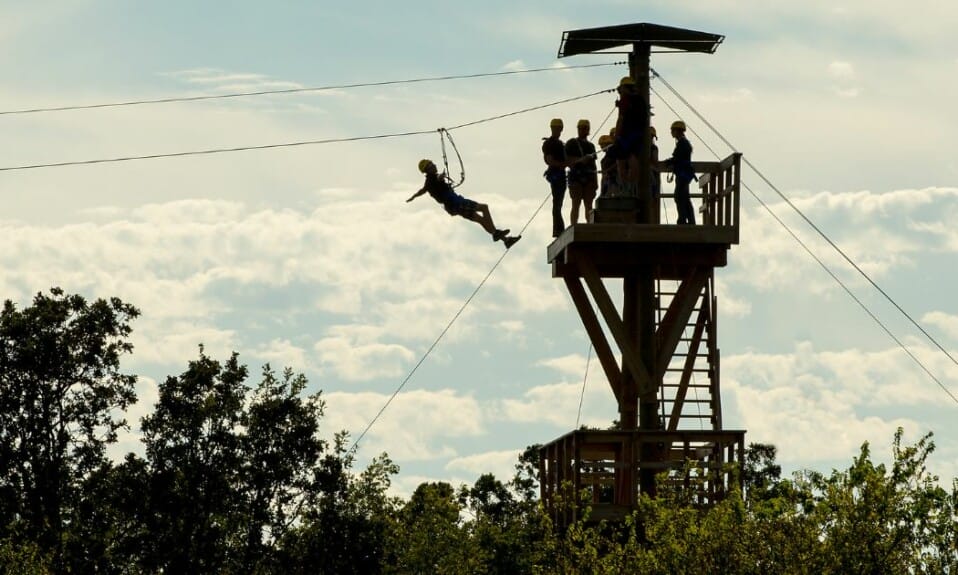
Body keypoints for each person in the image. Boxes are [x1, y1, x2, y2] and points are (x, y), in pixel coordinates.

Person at [407, 159, 520, 248]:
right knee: (484, 208)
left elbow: (422, 190)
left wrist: (413, 197)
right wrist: (441, 177)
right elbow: (437, 179)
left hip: (453, 207)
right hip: (456, 203)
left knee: (480, 219)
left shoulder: (429, 183)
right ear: (427, 169)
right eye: (431, 165)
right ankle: (496, 233)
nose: (434, 165)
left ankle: (506, 241)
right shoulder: (432, 179)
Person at [612, 76, 643, 195]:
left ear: (624, 88)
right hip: (638, 135)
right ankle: (632, 186)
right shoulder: (640, 100)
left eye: (620, 90)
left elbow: (621, 119)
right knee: (633, 157)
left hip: (626, 135)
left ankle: (625, 187)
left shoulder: (625, 101)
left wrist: (616, 137)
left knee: (621, 160)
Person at [565, 119, 598, 224]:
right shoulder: (572, 143)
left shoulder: (591, 146)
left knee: (589, 204)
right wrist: (581, 160)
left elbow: (594, 166)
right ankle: (574, 225)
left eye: (586, 128)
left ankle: (590, 224)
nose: (584, 130)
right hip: (576, 177)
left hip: (589, 177)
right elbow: (568, 161)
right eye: (582, 128)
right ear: (578, 129)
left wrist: (596, 181)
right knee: (576, 203)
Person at [663, 120, 696, 225]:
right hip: (683, 174)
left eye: (673, 130)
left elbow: (678, 158)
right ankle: (690, 221)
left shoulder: (683, 144)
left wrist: (669, 162)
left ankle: (682, 220)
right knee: (684, 197)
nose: (671, 132)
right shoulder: (683, 143)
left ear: (677, 131)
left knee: (679, 196)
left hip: (683, 174)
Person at [542, 118, 567, 237]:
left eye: (558, 128)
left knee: (558, 203)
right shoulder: (550, 144)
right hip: (556, 175)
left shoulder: (558, 144)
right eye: (555, 128)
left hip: (559, 174)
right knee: (557, 203)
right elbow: (549, 160)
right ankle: (558, 229)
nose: (557, 130)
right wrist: (563, 165)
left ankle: (558, 229)